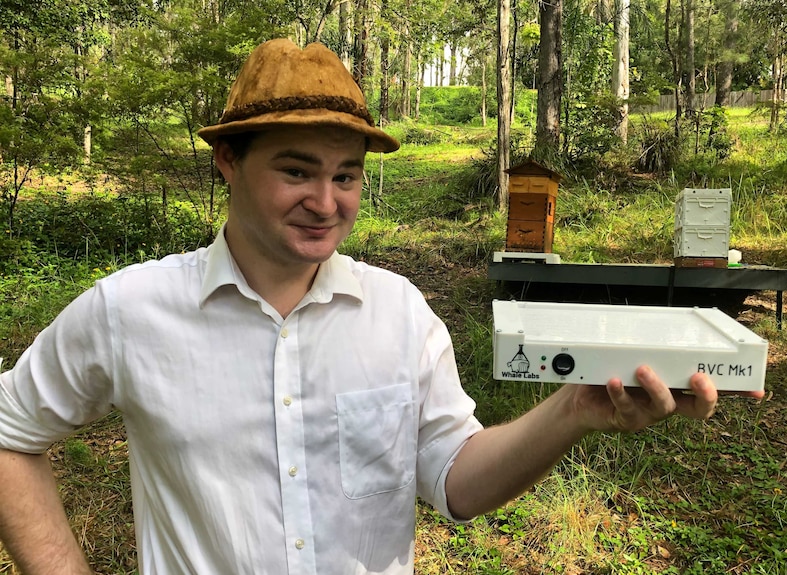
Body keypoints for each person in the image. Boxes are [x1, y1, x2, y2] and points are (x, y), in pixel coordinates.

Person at [0, 39, 749, 575]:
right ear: (228, 160)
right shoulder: (131, 310)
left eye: (347, 176)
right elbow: (8, 435)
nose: (326, 204)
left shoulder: (400, 314)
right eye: (296, 171)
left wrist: (574, 411)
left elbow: (455, 479)